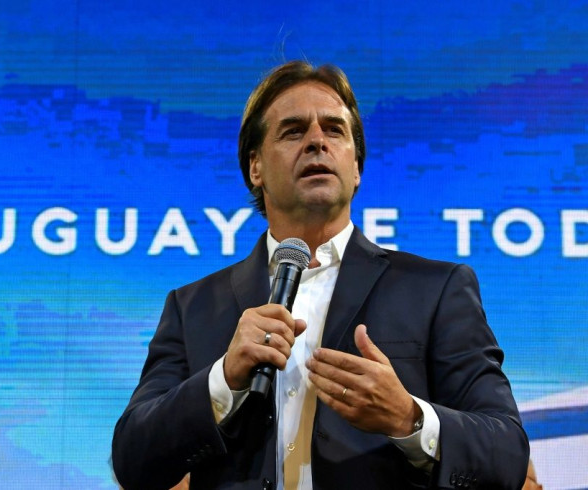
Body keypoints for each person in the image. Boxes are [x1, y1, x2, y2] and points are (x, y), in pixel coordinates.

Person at [112, 61, 529, 489]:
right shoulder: (192, 306)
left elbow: (508, 454)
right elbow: (133, 461)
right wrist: (223, 379)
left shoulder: (437, 289)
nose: (316, 142)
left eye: (334, 130)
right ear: (255, 167)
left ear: (356, 169)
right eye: (293, 131)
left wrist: (407, 416)